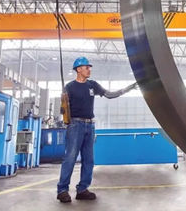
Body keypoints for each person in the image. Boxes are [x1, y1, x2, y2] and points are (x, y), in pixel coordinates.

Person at [57, 56, 137, 203]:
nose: (89, 69)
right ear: (78, 69)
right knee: (70, 158)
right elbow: (63, 109)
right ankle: (62, 190)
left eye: (89, 67)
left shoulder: (92, 85)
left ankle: (82, 189)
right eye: (87, 67)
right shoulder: (69, 87)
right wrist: (63, 108)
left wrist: (128, 88)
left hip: (90, 125)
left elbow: (110, 95)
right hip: (75, 125)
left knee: (89, 159)